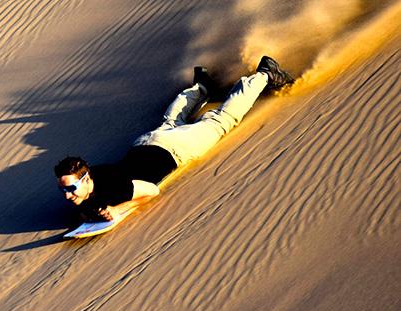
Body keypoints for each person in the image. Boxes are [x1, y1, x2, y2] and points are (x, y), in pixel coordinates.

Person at [54, 55, 295, 223]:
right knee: (171, 121)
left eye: (71, 189)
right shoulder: (90, 179)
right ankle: (201, 87)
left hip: (174, 149)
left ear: (86, 179)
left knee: (221, 120)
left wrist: (117, 210)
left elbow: (151, 191)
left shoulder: (115, 188)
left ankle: (265, 74)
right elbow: (88, 204)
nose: (66, 195)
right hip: (147, 142)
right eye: (63, 189)